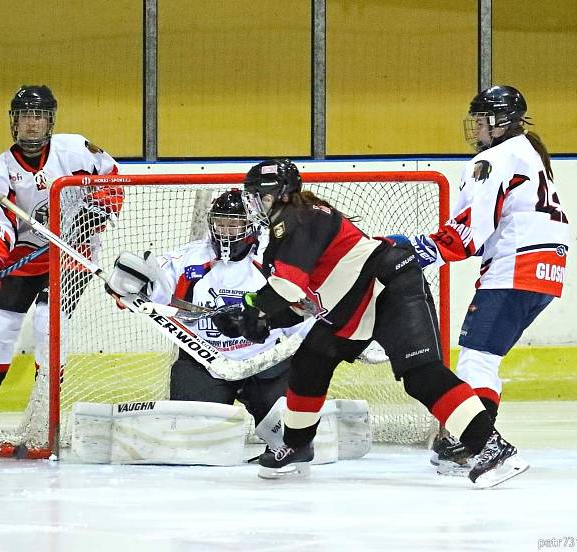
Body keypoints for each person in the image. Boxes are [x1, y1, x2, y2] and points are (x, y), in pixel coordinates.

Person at [211, 158, 528, 488]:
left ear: (276, 195)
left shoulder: (299, 218)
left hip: (390, 286)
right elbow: (302, 301)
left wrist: (250, 310)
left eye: (254, 196)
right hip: (354, 305)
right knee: (311, 359)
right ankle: (296, 444)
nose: (250, 205)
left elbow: (286, 288)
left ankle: (493, 447)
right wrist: (261, 323)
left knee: (421, 375)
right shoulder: (286, 229)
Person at [388, 85, 570, 471]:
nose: (476, 129)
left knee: (476, 359)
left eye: (482, 120)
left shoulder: (494, 159)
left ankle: (477, 443)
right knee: (486, 358)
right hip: (546, 270)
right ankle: (473, 440)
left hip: (515, 268)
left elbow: (471, 230)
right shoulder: (527, 153)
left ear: (501, 122)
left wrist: (419, 251)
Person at [0, 85, 122, 435]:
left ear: (50, 121)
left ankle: (47, 402)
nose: (32, 124)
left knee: (48, 320)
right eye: (25, 117)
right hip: (26, 254)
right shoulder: (0, 170)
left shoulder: (75, 149)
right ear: (14, 123)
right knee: (1, 323)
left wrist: (99, 210)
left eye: (39, 116)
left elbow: (113, 178)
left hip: (73, 252)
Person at [106, 189, 312, 430]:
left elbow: (302, 309)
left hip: (266, 362)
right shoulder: (187, 258)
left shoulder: (274, 257)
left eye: (234, 225)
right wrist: (126, 285)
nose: (225, 232)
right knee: (190, 438)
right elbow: (152, 289)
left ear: (251, 226)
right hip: (204, 361)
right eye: (220, 224)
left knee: (290, 434)